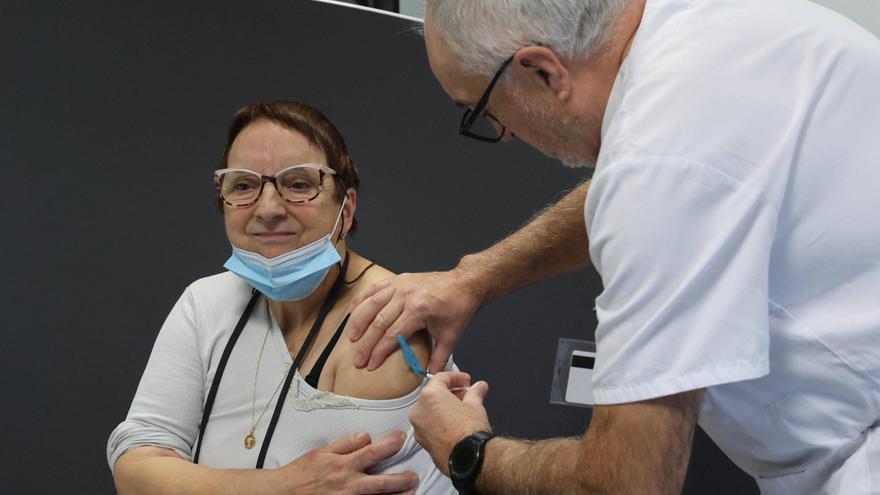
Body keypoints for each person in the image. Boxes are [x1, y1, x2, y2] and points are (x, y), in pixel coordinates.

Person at [344, 1, 880, 493]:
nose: (503, 133)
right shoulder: (713, 29)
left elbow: (625, 485)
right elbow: (660, 177)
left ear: (541, 70)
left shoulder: (657, 166)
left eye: (483, 108)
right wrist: (474, 278)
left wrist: (468, 451)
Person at [107, 100, 454, 494]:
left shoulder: (390, 323)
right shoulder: (206, 305)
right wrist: (281, 487)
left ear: (347, 206)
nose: (268, 208)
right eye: (243, 185)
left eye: (299, 184)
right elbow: (135, 471)